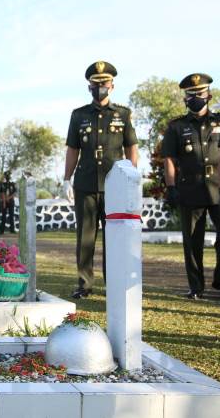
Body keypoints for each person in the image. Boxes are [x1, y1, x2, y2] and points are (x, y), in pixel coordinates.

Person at [61, 61, 139, 299]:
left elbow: (131, 147)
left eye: (104, 83)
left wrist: (132, 178)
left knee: (114, 238)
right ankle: (84, 283)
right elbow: (73, 149)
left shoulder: (123, 115)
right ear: (89, 88)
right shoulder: (79, 115)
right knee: (85, 237)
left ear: (112, 85)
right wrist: (66, 179)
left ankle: (113, 283)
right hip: (85, 183)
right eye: (95, 84)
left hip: (114, 185)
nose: (100, 88)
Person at [162, 73, 220, 300]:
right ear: (184, 99)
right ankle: (196, 286)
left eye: (199, 94)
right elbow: (169, 159)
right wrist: (171, 187)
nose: (195, 98)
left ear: (208, 95)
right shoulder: (177, 127)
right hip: (190, 188)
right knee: (192, 242)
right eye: (190, 95)